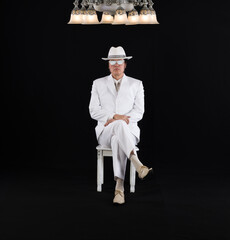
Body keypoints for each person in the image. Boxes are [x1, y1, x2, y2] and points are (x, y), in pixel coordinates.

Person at [89, 46, 152, 205]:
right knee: (117, 126)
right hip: (105, 132)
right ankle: (137, 163)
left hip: (128, 131)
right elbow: (93, 110)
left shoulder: (136, 84)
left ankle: (119, 188)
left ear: (125, 64)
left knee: (118, 137)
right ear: (108, 65)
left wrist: (121, 120)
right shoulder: (98, 83)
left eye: (119, 61)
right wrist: (114, 117)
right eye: (112, 62)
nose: (116, 65)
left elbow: (139, 111)